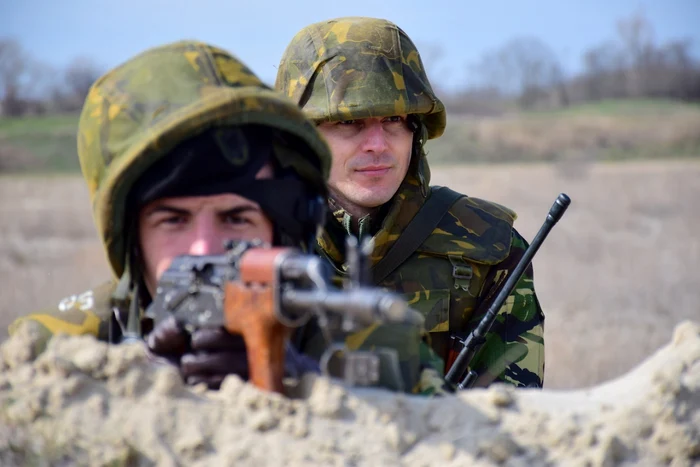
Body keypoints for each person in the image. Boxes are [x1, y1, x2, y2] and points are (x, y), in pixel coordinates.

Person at [8, 40, 336, 390]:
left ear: (279, 233)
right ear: (132, 241)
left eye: (236, 218)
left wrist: (307, 391)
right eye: (174, 220)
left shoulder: (356, 339)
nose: (203, 249)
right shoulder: (53, 351)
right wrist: (132, 386)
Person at [275, 16, 546, 389]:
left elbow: (514, 414)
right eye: (348, 122)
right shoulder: (261, 246)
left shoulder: (486, 247)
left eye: (393, 119)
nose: (378, 144)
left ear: (414, 131)